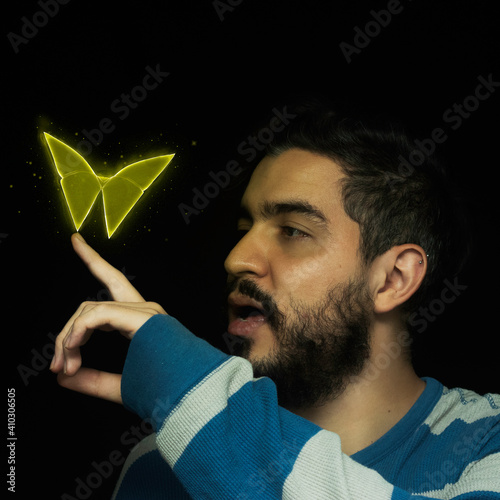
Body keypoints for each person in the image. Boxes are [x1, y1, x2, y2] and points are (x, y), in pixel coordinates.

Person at [50, 99, 500, 499]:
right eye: (244, 230)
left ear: (392, 280)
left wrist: (187, 388)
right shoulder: (163, 461)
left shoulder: (486, 441)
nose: (236, 259)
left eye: (293, 231)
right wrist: (195, 412)